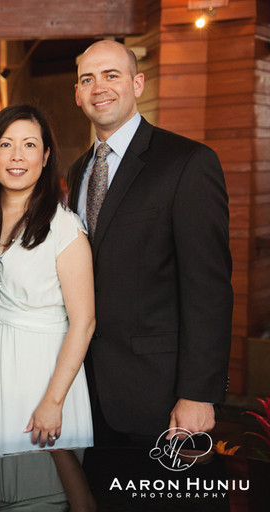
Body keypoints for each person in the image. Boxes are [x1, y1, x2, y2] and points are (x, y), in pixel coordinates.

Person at [68, 40, 233, 446]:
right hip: (85, 391)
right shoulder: (77, 172)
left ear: (137, 83)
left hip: (160, 392)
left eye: (112, 75)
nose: (98, 87)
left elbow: (208, 289)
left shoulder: (187, 163)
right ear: (77, 94)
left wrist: (198, 392)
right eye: (87, 79)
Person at [0, 104, 95, 459]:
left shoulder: (64, 228)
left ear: (46, 155)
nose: (16, 156)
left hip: (42, 375)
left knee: (40, 490)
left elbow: (84, 323)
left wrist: (53, 401)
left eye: (30, 145)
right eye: (6, 145)